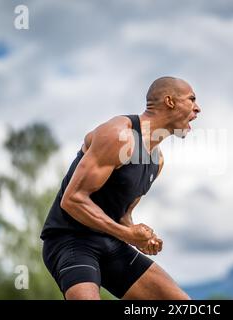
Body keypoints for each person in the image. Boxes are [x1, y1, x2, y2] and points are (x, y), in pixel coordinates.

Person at [40, 76, 201, 300]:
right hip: (71, 241)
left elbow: (123, 215)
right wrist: (127, 234)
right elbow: (73, 200)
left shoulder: (158, 160)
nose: (198, 108)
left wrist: (141, 237)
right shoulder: (119, 135)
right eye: (192, 99)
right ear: (170, 101)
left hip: (110, 244)